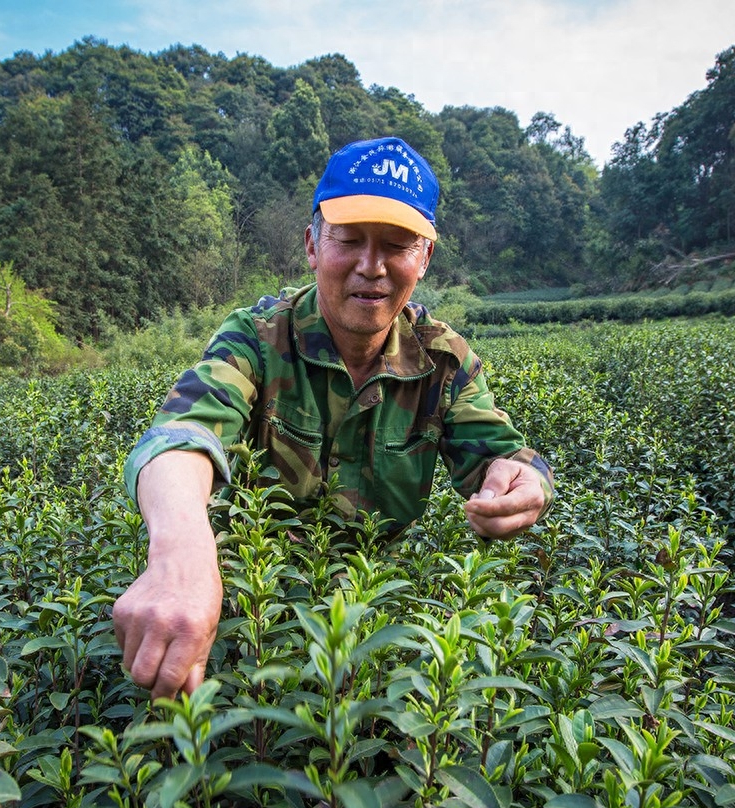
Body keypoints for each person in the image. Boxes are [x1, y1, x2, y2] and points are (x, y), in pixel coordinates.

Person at [113, 137, 554, 699]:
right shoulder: (257, 339)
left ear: (424, 258)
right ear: (313, 245)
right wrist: (182, 556)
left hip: (372, 624)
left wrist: (525, 480)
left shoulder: (444, 361)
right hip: (256, 613)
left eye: (396, 245)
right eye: (349, 240)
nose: (371, 267)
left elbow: (504, 453)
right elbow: (183, 435)